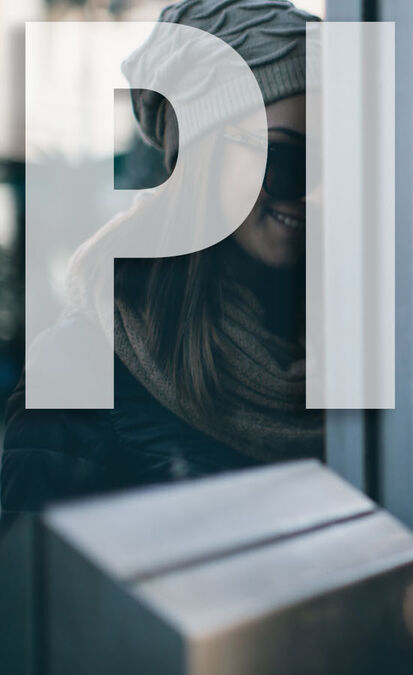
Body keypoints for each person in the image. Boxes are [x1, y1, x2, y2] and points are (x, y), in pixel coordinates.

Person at [1, 0, 322, 515]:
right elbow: (31, 586)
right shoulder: (82, 367)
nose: (310, 190)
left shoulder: (352, 337)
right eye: (282, 157)